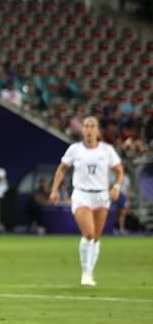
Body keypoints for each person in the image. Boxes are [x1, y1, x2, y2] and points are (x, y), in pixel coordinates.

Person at [48, 117, 123, 286]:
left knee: (96, 237)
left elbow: (119, 170)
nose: (89, 130)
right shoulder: (75, 149)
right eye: (87, 126)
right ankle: (86, 273)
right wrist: (54, 190)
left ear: (97, 131)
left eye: (93, 126)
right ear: (82, 130)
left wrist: (116, 187)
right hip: (82, 194)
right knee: (88, 234)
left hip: (101, 196)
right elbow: (61, 169)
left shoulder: (107, 150)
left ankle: (91, 272)